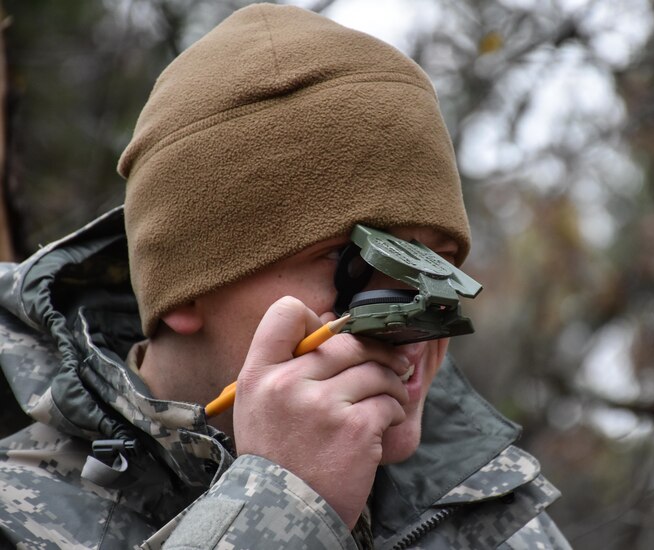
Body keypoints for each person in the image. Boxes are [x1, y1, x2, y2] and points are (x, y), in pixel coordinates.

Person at [0, 4, 571, 548]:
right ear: (187, 289)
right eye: (348, 261)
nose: (418, 314)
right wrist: (283, 506)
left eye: (435, 263)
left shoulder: (491, 516)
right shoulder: (19, 513)